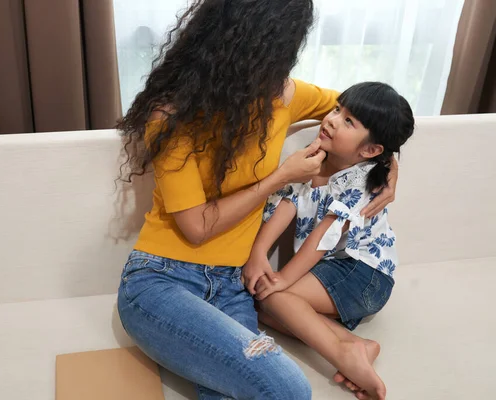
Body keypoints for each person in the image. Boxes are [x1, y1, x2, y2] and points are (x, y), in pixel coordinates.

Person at [116, 1, 396, 398]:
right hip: (161, 280)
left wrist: (390, 168)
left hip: (232, 287)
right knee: (289, 389)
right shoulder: (170, 116)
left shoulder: (285, 95)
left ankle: (349, 348)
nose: (284, 66)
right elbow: (196, 228)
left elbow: (371, 118)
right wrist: (280, 177)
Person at [243, 82, 414, 400]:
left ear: (371, 150)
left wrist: (282, 278)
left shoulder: (360, 180)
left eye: (349, 121)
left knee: (271, 296)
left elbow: (324, 237)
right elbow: (288, 201)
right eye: (338, 110)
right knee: (259, 306)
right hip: (334, 270)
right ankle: (356, 345)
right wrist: (257, 253)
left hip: (365, 275)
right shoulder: (316, 155)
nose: (333, 119)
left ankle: (341, 353)